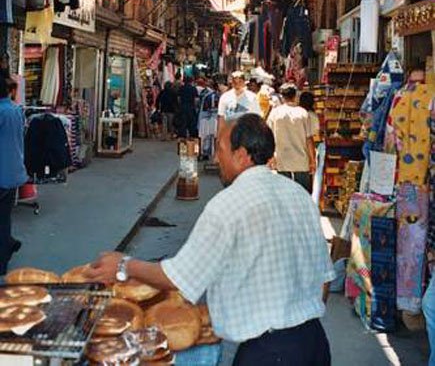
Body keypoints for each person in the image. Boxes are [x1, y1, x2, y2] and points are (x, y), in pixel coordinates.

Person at [88, 114, 334, 365]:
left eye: (221, 149)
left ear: (241, 155)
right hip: (314, 343)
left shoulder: (227, 205)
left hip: (269, 354)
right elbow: (324, 279)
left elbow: (179, 277)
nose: (216, 158)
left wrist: (124, 265)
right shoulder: (298, 195)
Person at [0, 73, 27, 275]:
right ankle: (7, 244)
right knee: (4, 217)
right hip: (13, 173)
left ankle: (3, 256)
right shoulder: (15, 110)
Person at [267, 83, 316, 193]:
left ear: (282, 97)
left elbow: (268, 137)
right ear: (295, 96)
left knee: (283, 194)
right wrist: (312, 160)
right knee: (303, 194)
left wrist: (270, 157)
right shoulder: (303, 113)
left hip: (281, 159)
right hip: (301, 160)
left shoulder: (275, 113)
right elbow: (309, 139)